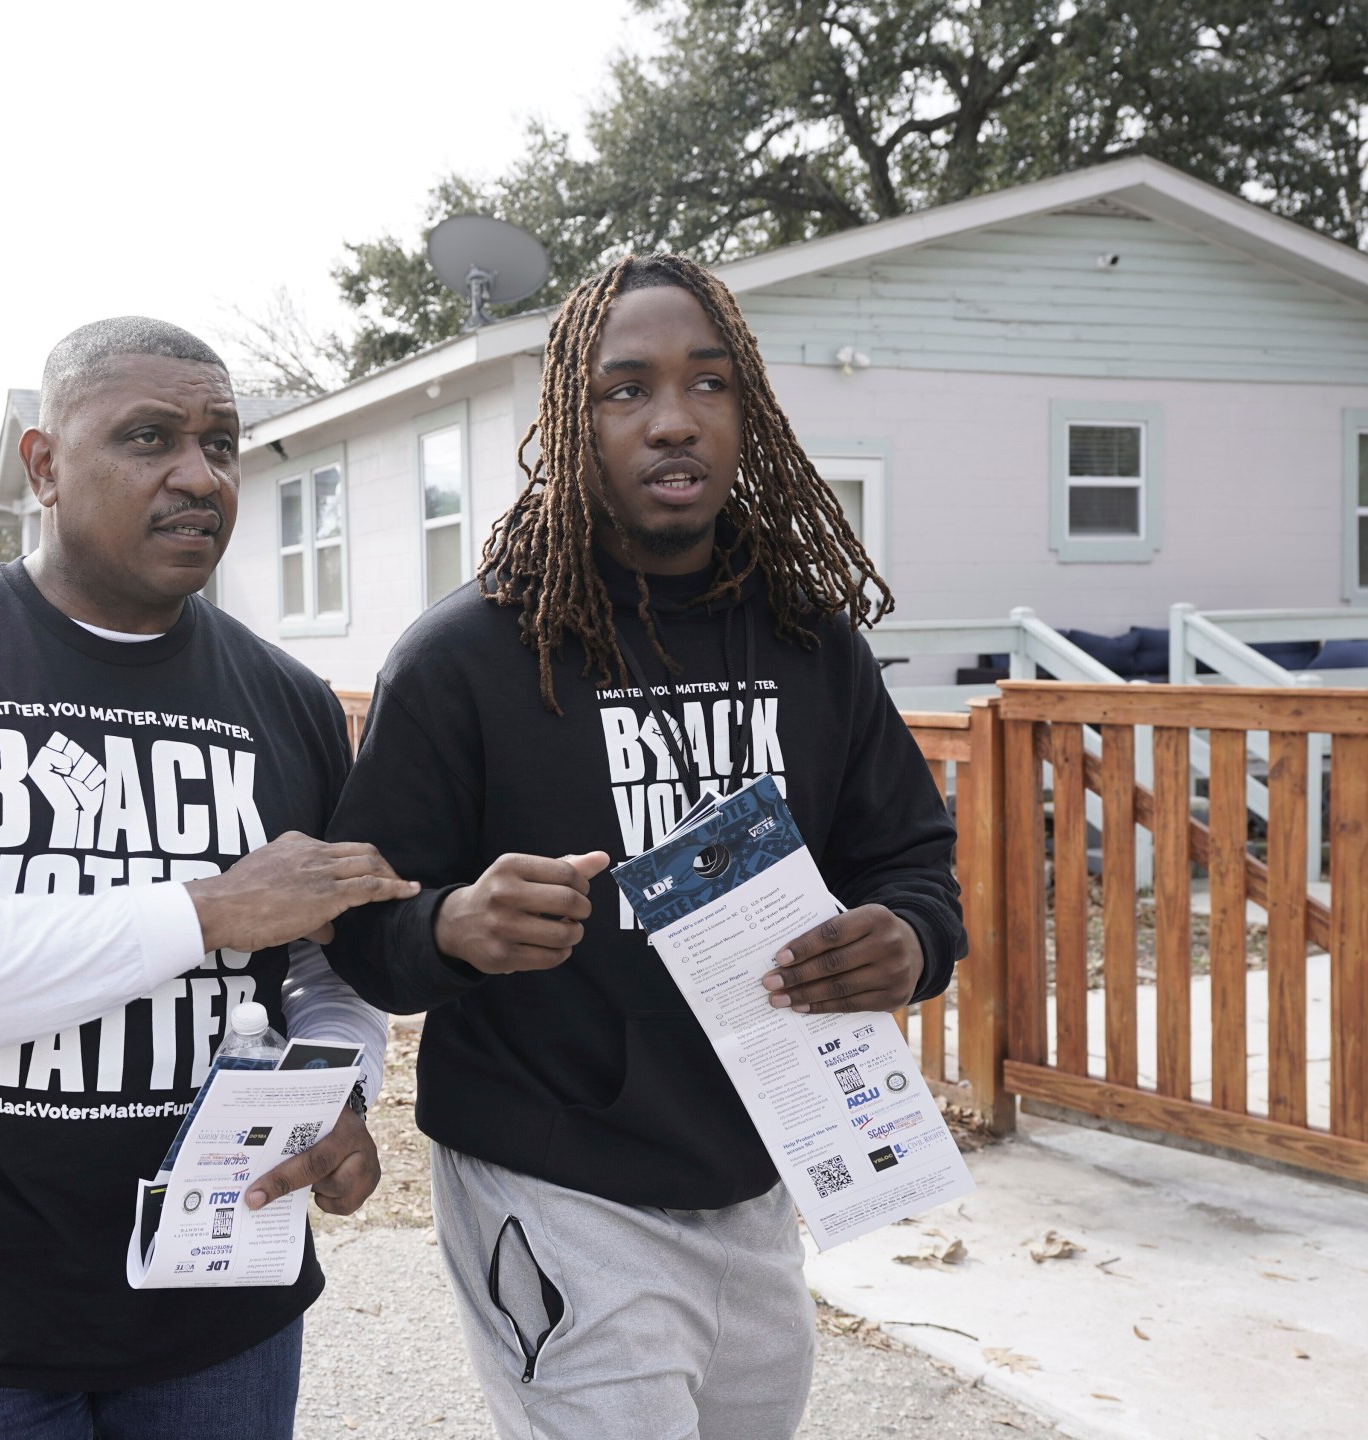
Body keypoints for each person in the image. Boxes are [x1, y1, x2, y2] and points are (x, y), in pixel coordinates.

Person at [323, 255, 967, 1440]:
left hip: (762, 1169)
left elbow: (914, 864)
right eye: (626, 390)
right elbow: (361, 933)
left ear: (748, 410)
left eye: (707, 384)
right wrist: (450, 930)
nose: (673, 419)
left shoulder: (810, 641)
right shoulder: (465, 659)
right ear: (573, 420)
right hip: (555, 1175)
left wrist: (910, 941)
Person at [0, 317, 412, 1439]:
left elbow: (323, 963)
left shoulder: (289, 701)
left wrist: (335, 1085)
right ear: (42, 465)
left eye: (220, 442)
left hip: (226, 1305)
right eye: (148, 437)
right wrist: (203, 910)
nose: (197, 475)